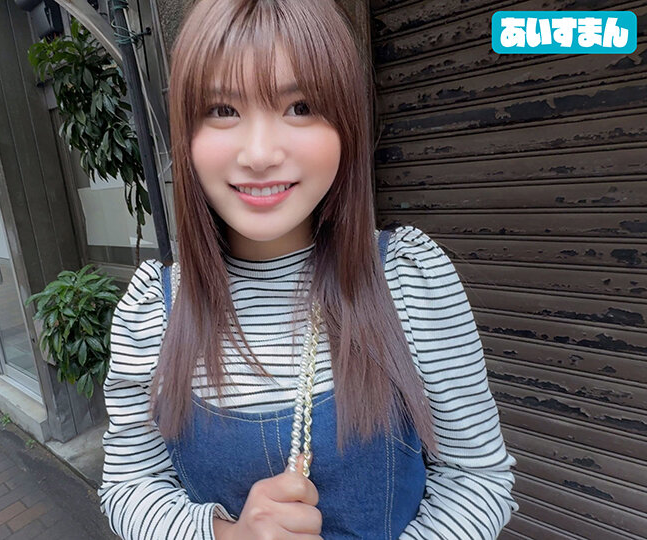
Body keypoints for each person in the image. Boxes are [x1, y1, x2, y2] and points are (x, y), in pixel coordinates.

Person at [98, 0, 517, 538]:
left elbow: (476, 477)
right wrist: (228, 535)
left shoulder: (409, 278)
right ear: (187, 133)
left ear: (346, 124)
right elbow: (129, 484)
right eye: (223, 109)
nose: (259, 154)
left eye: (299, 106)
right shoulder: (152, 311)